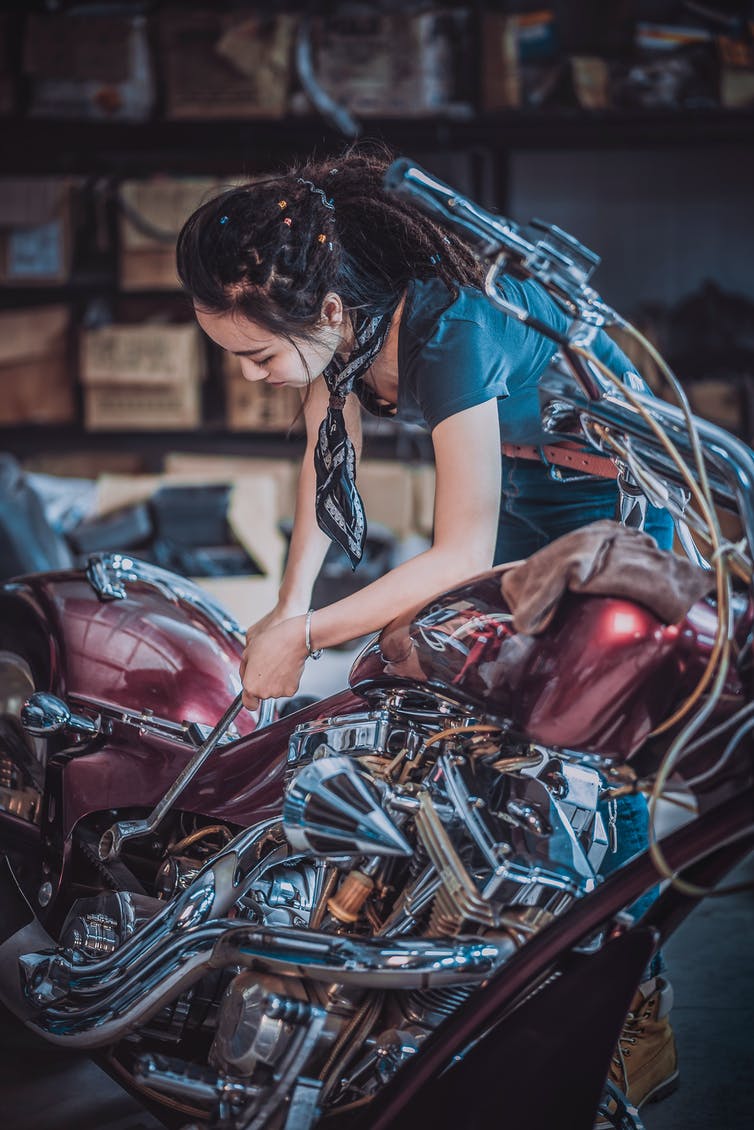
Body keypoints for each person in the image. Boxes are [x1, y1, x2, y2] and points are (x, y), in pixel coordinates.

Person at [175, 146, 677, 1111]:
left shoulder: (450, 328)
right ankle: (490, 950)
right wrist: (284, 611)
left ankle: (634, 1005)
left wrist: (310, 635)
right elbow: (325, 490)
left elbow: (457, 553)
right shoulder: (347, 326)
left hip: (609, 516)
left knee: (587, 761)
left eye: (258, 357)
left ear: (322, 317)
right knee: (451, 710)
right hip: (513, 509)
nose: (253, 378)